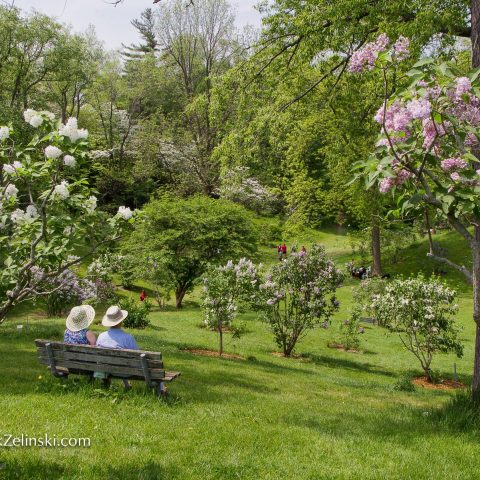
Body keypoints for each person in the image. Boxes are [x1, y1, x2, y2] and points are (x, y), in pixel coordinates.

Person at [96, 305, 138, 389]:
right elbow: (137, 357)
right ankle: (162, 389)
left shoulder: (101, 336)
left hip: (105, 369)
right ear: (121, 321)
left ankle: (125, 385)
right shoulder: (128, 337)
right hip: (124, 371)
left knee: (117, 361)